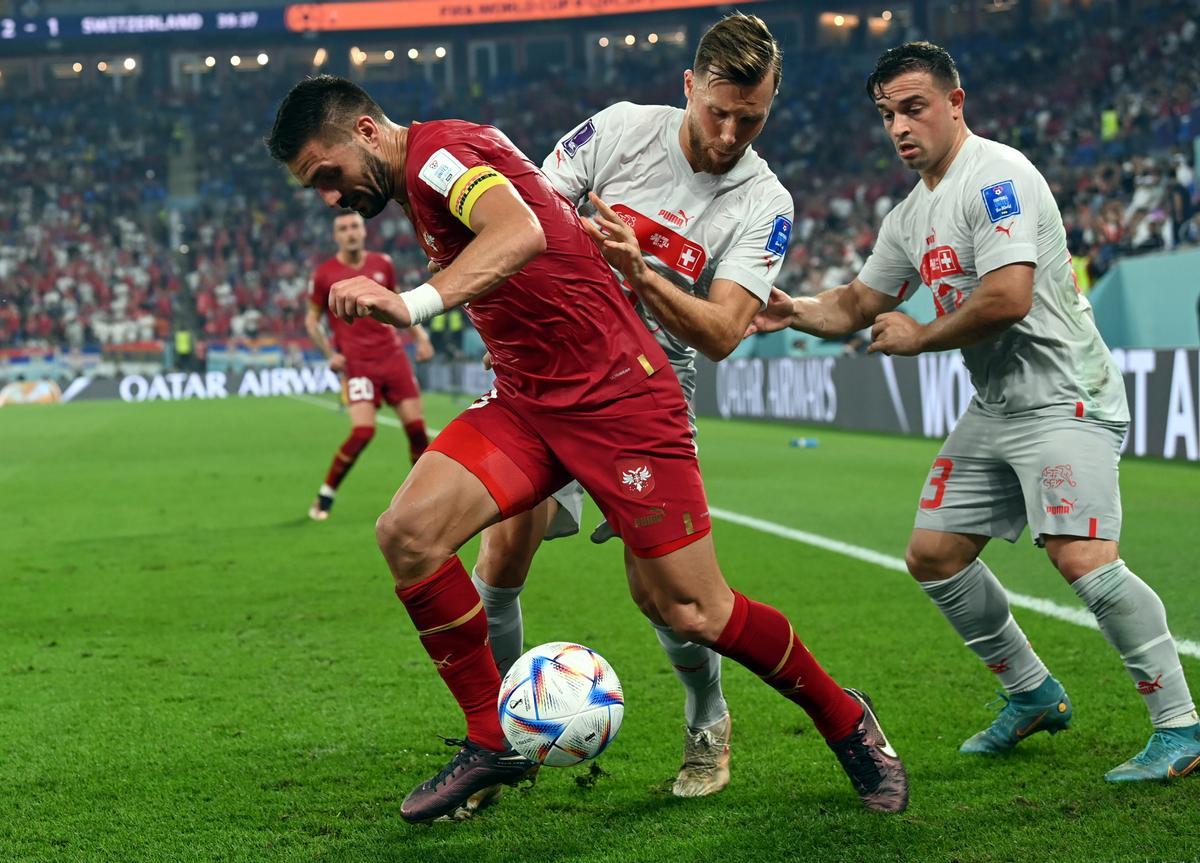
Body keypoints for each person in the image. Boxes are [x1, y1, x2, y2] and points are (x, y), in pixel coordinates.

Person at [266, 74, 909, 823]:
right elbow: (540, 221)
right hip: (528, 401)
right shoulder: (427, 170)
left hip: (619, 401)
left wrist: (411, 303)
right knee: (408, 533)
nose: (331, 197)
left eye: (329, 176)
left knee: (692, 607)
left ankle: (846, 718)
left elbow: (523, 232)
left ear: (368, 133)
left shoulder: (436, 156)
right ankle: (492, 739)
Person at [752, 41, 1200, 782]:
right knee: (933, 554)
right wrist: (793, 310)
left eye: (914, 107)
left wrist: (921, 336)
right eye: (887, 114)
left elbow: (1009, 296)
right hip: (997, 408)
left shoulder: (998, 176)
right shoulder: (910, 214)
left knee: (1080, 556)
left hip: (1065, 397)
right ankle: (1032, 692)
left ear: (956, 103)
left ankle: (1181, 725)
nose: (899, 126)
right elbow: (859, 303)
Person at [471, 13, 796, 801]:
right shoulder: (618, 132)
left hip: (650, 387)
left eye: (748, 119)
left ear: (771, 103)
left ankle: (707, 718)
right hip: (553, 366)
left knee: (669, 599)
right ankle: (494, 741)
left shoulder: (764, 201)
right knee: (501, 555)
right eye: (716, 111)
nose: (727, 134)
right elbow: (524, 221)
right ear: (688, 86)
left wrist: (640, 273)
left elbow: (721, 332)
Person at [305, 210, 432, 520]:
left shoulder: (382, 264)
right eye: (344, 228)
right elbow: (311, 319)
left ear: (363, 232)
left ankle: (426, 499)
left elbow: (398, 303)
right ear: (336, 236)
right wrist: (329, 354)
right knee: (362, 432)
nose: (350, 232)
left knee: (416, 430)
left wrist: (421, 337)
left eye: (354, 226)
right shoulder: (324, 274)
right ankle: (326, 495)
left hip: (392, 357)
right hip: (358, 364)